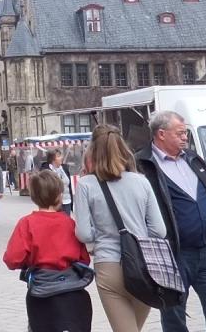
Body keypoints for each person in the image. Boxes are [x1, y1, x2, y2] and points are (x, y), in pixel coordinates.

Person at [135, 111, 206, 332]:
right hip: (173, 254)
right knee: (174, 315)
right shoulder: (143, 164)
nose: (185, 137)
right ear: (161, 134)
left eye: (185, 133)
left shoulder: (193, 159)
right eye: (179, 133)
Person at [75, 125, 167, 332]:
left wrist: (102, 235)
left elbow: (83, 233)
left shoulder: (86, 185)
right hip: (143, 265)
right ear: (123, 149)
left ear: (92, 151)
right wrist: (138, 236)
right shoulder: (141, 182)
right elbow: (159, 230)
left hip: (109, 264)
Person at [4, 169, 93, 332]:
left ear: (33, 197)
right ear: (59, 195)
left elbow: (12, 259)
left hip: (41, 291)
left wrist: (29, 261)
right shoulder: (69, 223)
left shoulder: (27, 223)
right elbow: (84, 259)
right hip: (72, 291)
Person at [42, 149, 75, 215]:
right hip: (54, 204)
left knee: (66, 220)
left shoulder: (64, 168)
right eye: (58, 156)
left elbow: (69, 185)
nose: (61, 157)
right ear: (52, 159)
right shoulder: (46, 171)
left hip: (67, 201)